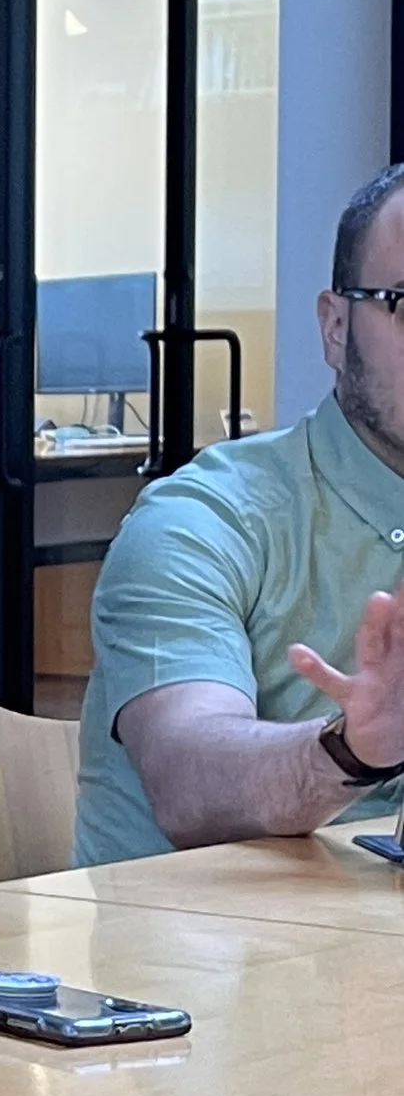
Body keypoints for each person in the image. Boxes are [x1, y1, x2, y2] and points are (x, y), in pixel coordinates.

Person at [76, 161, 404, 862]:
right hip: (186, 961)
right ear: (337, 326)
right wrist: (354, 748)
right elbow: (189, 778)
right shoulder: (202, 521)